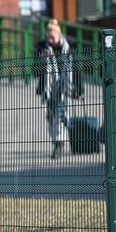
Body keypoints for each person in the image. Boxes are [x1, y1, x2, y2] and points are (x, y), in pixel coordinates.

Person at [35, 19, 83, 159]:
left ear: (58, 34)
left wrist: (79, 90)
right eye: (47, 36)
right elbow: (35, 70)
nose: (49, 39)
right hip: (48, 88)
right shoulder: (42, 48)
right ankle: (56, 141)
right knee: (50, 117)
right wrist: (42, 60)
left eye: (52, 36)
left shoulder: (69, 48)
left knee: (61, 116)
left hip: (64, 88)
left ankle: (59, 144)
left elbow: (76, 69)